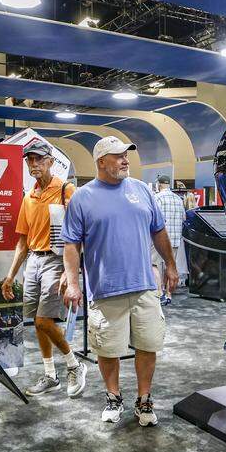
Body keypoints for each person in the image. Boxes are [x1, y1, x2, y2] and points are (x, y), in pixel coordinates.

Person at [61, 137, 179, 426]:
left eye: (126, 155)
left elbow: (159, 230)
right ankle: (113, 397)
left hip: (144, 286)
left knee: (148, 345)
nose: (125, 160)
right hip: (106, 290)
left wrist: (171, 265)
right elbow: (71, 244)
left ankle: (144, 399)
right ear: (101, 161)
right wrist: (73, 282)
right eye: (118, 156)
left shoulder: (141, 190)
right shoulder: (82, 198)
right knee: (107, 349)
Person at [0, 139, 84, 397]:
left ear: (50, 161)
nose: (34, 163)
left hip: (56, 260)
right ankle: (50, 375)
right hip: (34, 261)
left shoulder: (66, 190)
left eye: (39, 159)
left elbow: (79, 233)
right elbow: (23, 241)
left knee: (43, 320)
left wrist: (70, 272)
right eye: (30, 160)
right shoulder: (29, 197)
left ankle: (74, 364)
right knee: (37, 322)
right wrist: (11, 275)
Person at [152, 175, 185, 306]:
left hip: (160, 238)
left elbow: (153, 219)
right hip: (175, 238)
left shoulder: (157, 198)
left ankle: (159, 293)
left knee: (154, 264)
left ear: (159, 184)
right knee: (170, 266)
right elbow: (184, 218)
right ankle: (168, 294)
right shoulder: (178, 199)